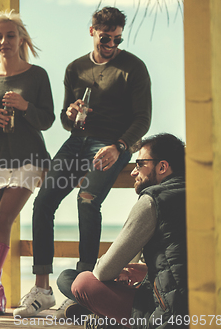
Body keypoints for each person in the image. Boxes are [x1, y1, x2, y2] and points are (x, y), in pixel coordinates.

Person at [15, 6, 152, 317]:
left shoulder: (134, 68)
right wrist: (70, 115)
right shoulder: (75, 68)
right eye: (106, 38)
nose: (112, 45)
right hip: (77, 142)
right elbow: (68, 122)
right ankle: (42, 288)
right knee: (44, 201)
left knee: (87, 199)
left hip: (112, 144)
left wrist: (118, 147)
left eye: (118, 39)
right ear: (92, 32)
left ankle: (83, 289)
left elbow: (143, 119)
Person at [0, 10, 55, 316]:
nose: (4, 41)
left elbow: (47, 119)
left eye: (10, 35)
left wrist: (26, 106)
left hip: (29, 158)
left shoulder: (37, 75)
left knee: (3, 221)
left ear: (21, 39)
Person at [56, 133, 187, 329]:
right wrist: (145, 271)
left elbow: (103, 271)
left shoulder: (153, 200)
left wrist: (117, 271)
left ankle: (106, 321)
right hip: (203, 308)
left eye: (139, 164)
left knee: (80, 281)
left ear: (162, 167)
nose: (134, 172)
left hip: (168, 314)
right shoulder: (201, 193)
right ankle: (104, 320)